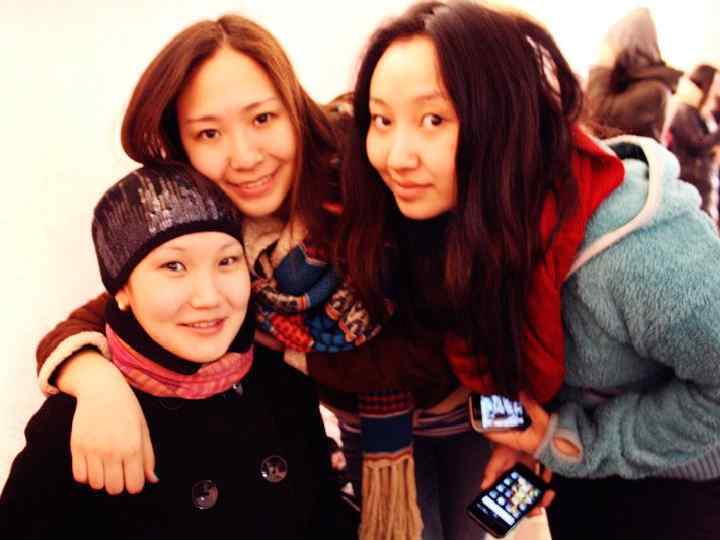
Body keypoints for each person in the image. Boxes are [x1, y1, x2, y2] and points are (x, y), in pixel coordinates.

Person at [30, 13, 467, 540]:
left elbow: (474, 301)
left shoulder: (372, 174)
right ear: (182, 145)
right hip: (370, 435)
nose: (244, 157)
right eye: (209, 133)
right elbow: (107, 311)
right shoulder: (216, 238)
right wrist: (97, 385)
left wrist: (524, 426)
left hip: (467, 409)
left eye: (262, 118)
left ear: (294, 110)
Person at [335, 2, 720, 540]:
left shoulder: (636, 250)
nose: (397, 156)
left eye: (434, 119)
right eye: (382, 119)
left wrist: (569, 439)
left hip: (679, 489)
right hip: (587, 477)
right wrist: (533, 442)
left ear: (507, 117)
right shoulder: (465, 222)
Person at [1, 164, 358, 538]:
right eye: (174, 266)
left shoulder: (284, 384)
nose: (208, 297)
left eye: (227, 261)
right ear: (121, 289)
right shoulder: (76, 422)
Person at [584, 7, 682, 141]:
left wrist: (602, 66)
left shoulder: (654, 91)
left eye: (612, 44)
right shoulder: (634, 82)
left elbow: (599, 114)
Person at [669, 64, 720, 228]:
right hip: (692, 183)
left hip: (702, 186)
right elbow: (696, 144)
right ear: (705, 84)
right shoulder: (684, 109)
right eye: (715, 84)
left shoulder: (701, 112)